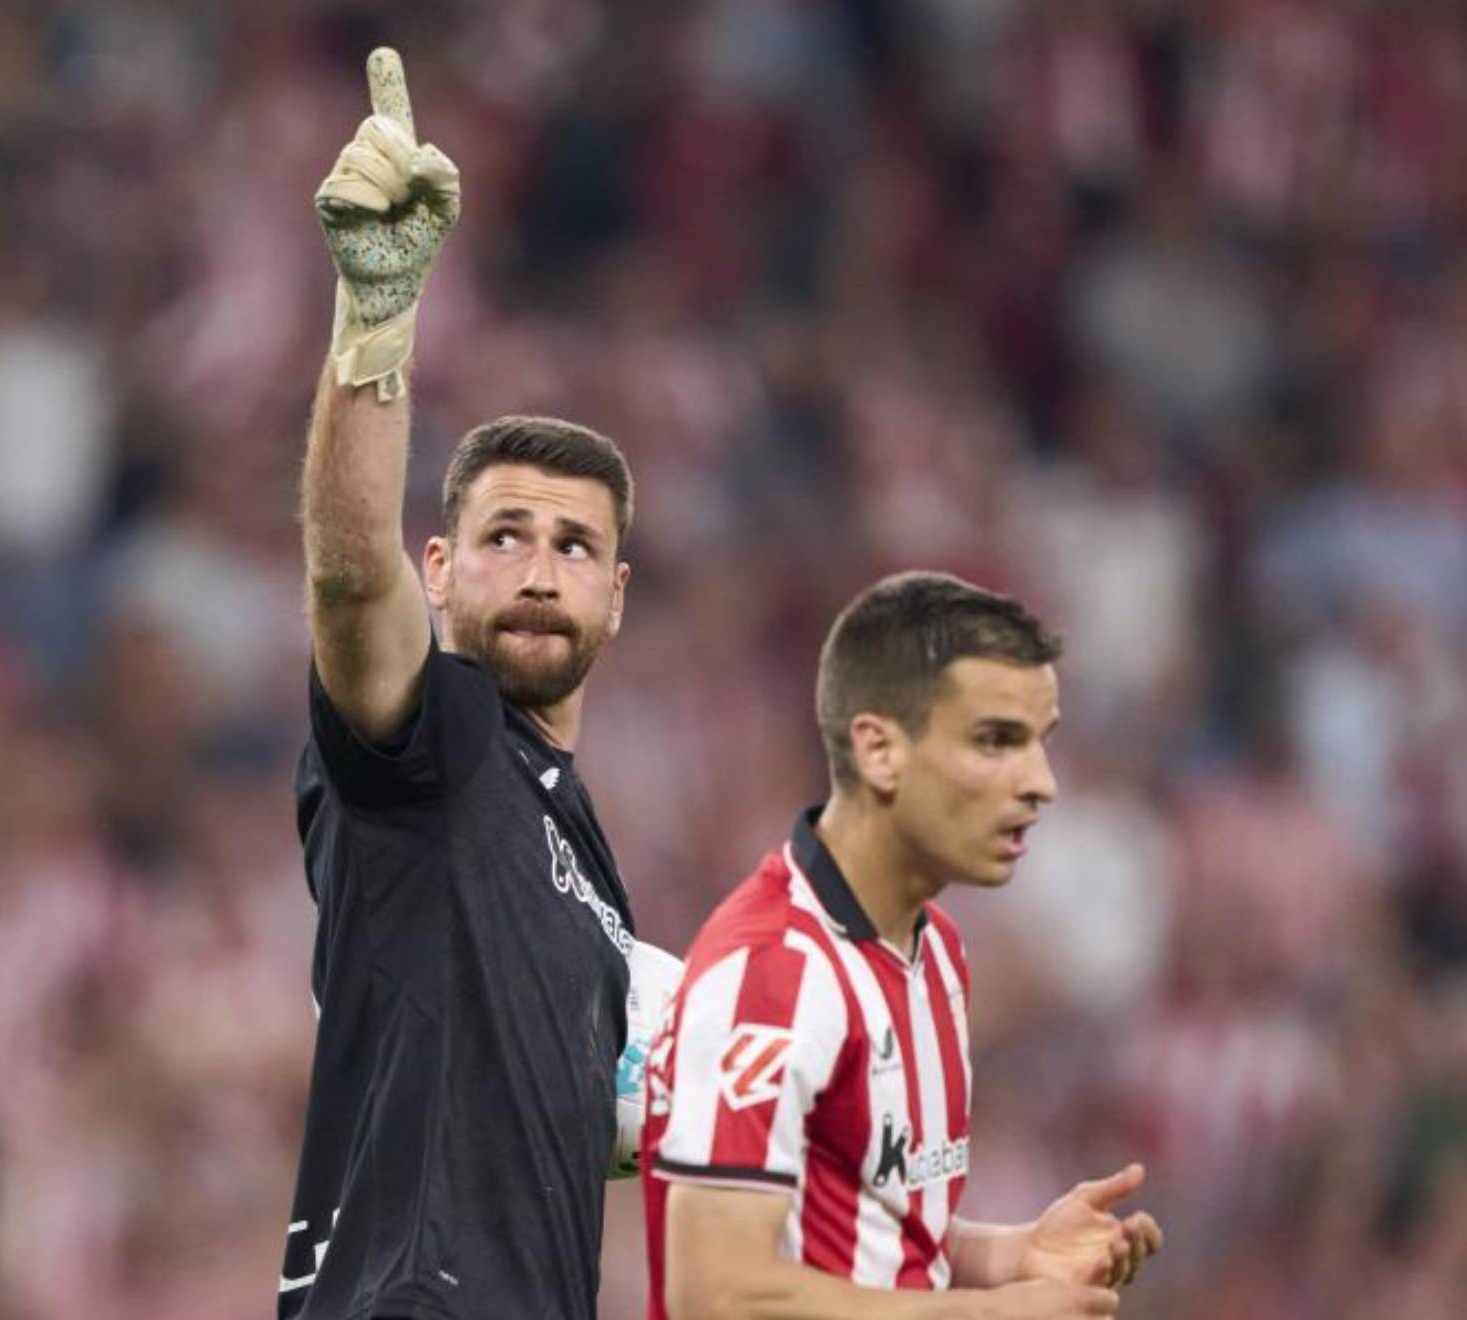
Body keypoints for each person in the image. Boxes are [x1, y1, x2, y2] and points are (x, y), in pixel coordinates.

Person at [280, 48, 674, 1320]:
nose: (543, 571)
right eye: (506, 536)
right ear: (441, 571)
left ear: (619, 594)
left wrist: (993, 1258)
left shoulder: (585, 867)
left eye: (577, 548)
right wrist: (375, 320)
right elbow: (352, 574)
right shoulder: (434, 739)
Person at [641, 572, 1165, 1319]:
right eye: (995, 741)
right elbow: (715, 1292)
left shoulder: (937, 952)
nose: (1040, 783)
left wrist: (1012, 1256)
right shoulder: (771, 972)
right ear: (880, 750)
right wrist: (988, 1315)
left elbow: (867, 1225)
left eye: (1041, 743)